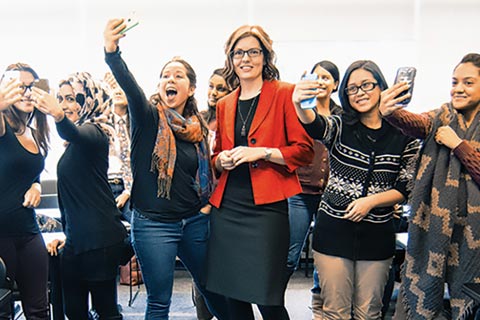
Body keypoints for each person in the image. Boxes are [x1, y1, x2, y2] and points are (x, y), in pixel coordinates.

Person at [103, 19, 228, 320]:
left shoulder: (197, 127)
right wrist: (112, 51)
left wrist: (207, 209)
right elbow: (129, 85)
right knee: (160, 301)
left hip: (194, 222)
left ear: (191, 87)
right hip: (153, 225)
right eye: (164, 75)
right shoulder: (147, 117)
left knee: (214, 291)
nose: (169, 80)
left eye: (178, 75)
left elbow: (206, 174)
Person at [292, 60, 421, 319]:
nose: (359, 92)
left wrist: (370, 202)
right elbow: (315, 124)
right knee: (335, 312)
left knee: (369, 313)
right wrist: (299, 103)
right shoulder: (340, 126)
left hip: (378, 233)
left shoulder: (404, 134)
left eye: (366, 85)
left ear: (381, 87)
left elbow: (405, 187)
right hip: (334, 231)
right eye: (352, 89)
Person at [206, 25, 314, 320]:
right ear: (230, 59)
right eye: (238, 53)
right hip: (228, 207)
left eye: (253, 51)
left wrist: (263, 152)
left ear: (266, 57)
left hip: (266, 210)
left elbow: (304, 151)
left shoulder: (285, 94)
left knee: (268, 297)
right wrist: (221, 161)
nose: (246, 58)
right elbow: (214, 155)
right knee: (232, 295)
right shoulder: (224, 104)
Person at [379, 53, 480, 320]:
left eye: (468, 83)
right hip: (435, 229)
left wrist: (458, 145)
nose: (458, 88)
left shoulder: (452, 132)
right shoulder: (442, 116)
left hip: (475, 239)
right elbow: (417, 123)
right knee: (421, 299)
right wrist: (391, 112)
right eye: (455, 81)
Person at [34, 72, 128, 320]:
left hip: (99, 241)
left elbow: (73, 133)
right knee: (73, 311)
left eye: (75, 97)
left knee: (106, 311)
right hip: (78, 241)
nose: (67, 104)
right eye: (62, 98)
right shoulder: (75, 145)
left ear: (91, 99)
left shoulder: (96, 133)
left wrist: (57, 115)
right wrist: (69, 235)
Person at [286, 60, 342, 318]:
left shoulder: (342, 116)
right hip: (299, 191)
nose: (320, 81)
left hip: (331, 196)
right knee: (290, 252)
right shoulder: (298, 111)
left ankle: (319, 307)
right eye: (316, 76)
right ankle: (273, 297)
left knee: (324, 254)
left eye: (326, 77)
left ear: (336, 85)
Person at [0, 63, 50, 319]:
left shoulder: (34, 132)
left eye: (33, 86)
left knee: (39, 309)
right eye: (21, 87)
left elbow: (31, 170)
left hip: (28, 231)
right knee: (3, 309)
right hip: (2, 234)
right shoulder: (2, 125)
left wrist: (36, 184)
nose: (29, 92)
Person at [193, 68, 231, 320]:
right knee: (201, 273)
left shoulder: (234, 122)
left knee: (225, 273)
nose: (214, 93)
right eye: (211, 87)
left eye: (221, 88)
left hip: (226, 204)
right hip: (199, 202)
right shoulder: (198, 121)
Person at [104, 72, 133, 223]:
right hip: (104, 186)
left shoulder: (137, 125)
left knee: (139, 224)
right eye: (113, 87)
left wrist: (127, 192)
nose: (117, 91)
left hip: (130, 188)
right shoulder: (101, 123)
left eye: (121, 87)